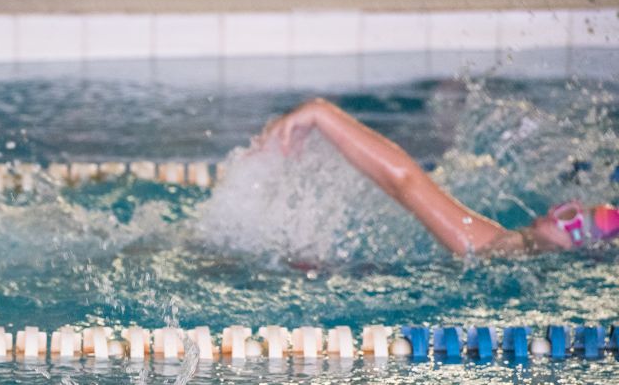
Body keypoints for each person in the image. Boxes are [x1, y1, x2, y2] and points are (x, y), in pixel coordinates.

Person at [255, 97, 619, 258]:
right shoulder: (516, 255)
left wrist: (321, 113)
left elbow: (406, 183)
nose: (556, 211)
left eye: (571, 217)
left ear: (582, 248)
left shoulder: (498, 249)